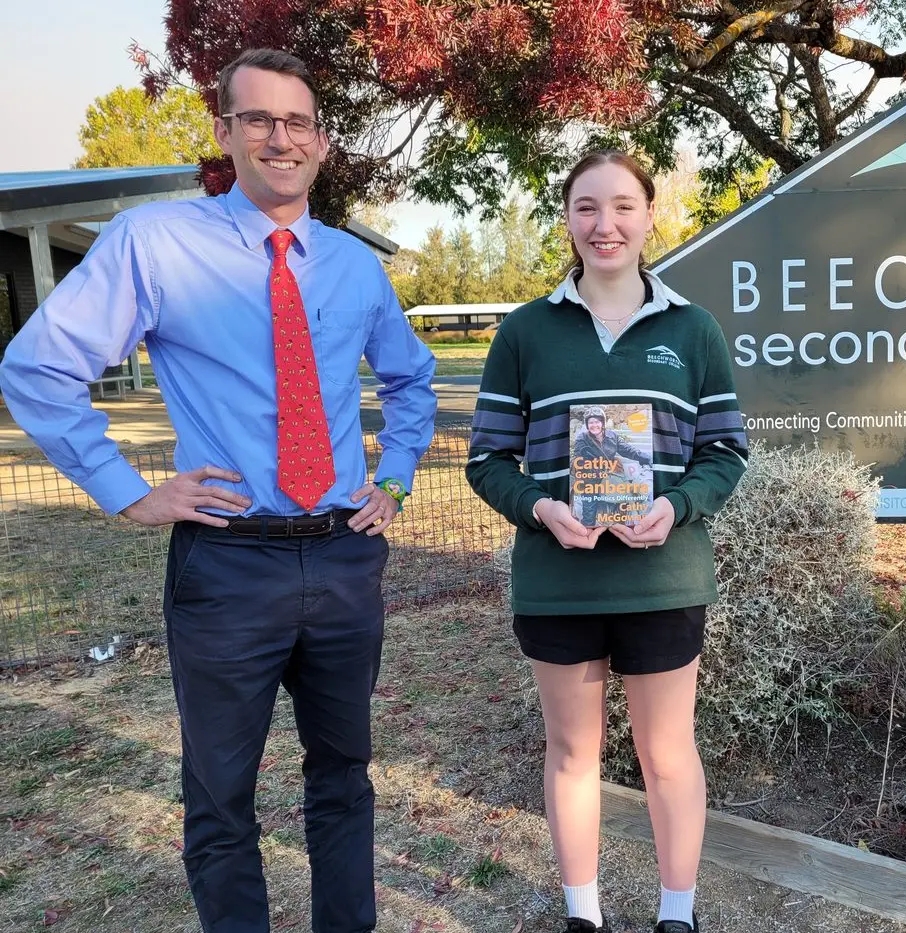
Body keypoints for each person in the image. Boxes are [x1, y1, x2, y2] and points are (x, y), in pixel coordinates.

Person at [0, 48, 437, 933]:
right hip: (228, 565)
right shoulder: (154, 243)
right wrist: (127, 490)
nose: (281, 138)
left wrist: (393, 477)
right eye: (258, 119)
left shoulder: (353, 265)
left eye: (298, 122)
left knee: (344, 776)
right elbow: (38, 366)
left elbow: (412, 380)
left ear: (322, 142)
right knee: (221, 794)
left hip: (344, 557)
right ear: (225, 132)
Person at [466, 149, 748, 933]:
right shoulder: (525, 331)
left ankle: (677, 916)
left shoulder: (694, 330)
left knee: (667, 755)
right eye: (587, 207)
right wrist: (540, 508)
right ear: (567, 219)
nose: (605, 224)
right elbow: (487, 459)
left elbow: (725, 452)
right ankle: (582, 916)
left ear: (650, 215)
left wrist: (677, 505)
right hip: (560, 582)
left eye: (623, 205)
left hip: (664, 580)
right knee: (572, 753)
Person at [571, 406, 653, 525]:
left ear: (603, 423)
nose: (594, 425)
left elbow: (627, 450)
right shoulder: (582, 438)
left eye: (597, 422)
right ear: (587, 425)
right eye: (591, 422)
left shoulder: (612, 436)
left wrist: (646, 457)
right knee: (589, 510)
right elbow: (578, 459)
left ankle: (640, 523)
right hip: (591, 477)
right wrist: (590, 467)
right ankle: (588, 528)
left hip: (611, 473)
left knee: (637, 492)